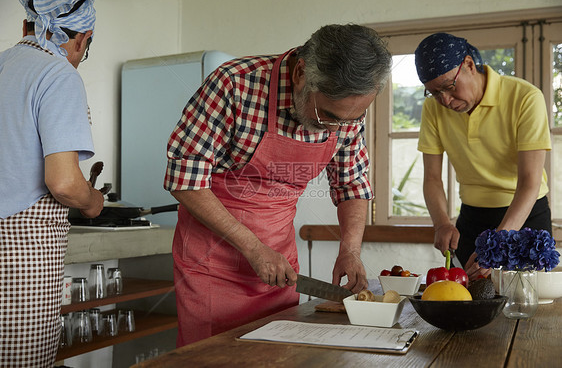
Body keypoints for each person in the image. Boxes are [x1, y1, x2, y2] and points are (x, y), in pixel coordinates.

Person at [164, 24, 392, 346]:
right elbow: (184, 179)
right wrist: (254, 247)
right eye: (327, 115)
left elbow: (351, 183)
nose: (337, 127)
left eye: (349, 119)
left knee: (275, 355)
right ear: (301, 73)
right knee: (213, 357)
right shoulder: (234, 84)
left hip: (279, 266)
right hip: (212, 265)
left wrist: (350, 250)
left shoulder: (346, 112)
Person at [0, 0, 104, 366]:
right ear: (81, 39)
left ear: (25, 25)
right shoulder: (57, 74)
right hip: (21, 253)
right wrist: (93, 201)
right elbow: (63, 183)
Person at [415, 33, 552, 281]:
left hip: (525, 216)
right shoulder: (433, 109)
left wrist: (497, 242)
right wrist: (442, 223)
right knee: (472, 303)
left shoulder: (526, 98)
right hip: (473, 219)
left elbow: (530, 182)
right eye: (434, 93)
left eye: (449, 86)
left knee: (526, 306)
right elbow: (433, 178)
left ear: (469, 64)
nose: (444, 100)